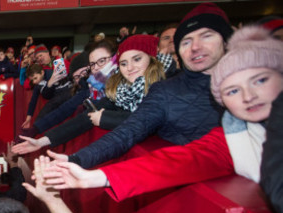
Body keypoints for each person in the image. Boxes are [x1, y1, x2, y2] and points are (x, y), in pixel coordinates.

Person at [40, 26, 283, 210]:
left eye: (260, 80)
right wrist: (94, 173)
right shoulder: (229, 136)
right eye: (232, 91)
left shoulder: (165, 89)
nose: (248, 96)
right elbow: (173, 162)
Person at [58, 2, 233, 170]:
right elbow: (131, 129)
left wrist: (106, 119)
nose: (195, 47)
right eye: (186, 41)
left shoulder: (251, 83)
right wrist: (75, 160)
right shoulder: (165, 90)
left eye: (207, 36)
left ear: (227, 41)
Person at [14, 35, 170, 155]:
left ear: (114, 59)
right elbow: (80, 119)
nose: (96, 69)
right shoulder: (115, 91)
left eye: (102, 61)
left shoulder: (166, 85)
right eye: (93, 64)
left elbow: (150, 119)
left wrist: (106, 118)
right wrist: (41, 140)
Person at [19, 40, 117, 139]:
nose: (96, 68)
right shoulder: (88, 89)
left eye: (102, 61)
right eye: (77, 77)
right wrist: (37, 131)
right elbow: (63, 111)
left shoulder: (117, 86)